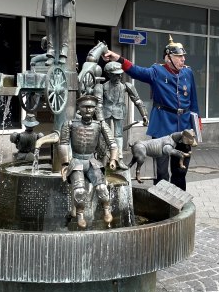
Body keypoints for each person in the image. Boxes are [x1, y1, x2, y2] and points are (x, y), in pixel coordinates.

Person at [102, 36, 200, 190]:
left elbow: (193, 101)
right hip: (163, 127)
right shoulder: (157, 71)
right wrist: (118, 58)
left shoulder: (188, 73)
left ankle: (181, 203)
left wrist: (196, 126)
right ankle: (162, 204)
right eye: (179, 56)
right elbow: (136, 71)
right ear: (168, 58)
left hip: (185, 128)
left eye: (183, 56)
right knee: (161, 172)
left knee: (181, 170)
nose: (183, 59)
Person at [58, 95, 118, 229]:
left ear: (95, 108)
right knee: (79, 191)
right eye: (85, 107)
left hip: (92, 161)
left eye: (91, 107)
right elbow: (63, 144)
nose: (88, 110)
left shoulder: (100, 125)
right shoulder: (70, 124)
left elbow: (112, 144)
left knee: (102, 187)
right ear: (79, 108)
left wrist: (113, 159)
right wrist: (65, 163)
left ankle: (107, 209)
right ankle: (80, 214)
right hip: (77, 162)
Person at [102, 61, 149, 170]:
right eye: (116, 74)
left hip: (119, 111)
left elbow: (137, 100)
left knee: (118, 135)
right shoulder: (103, 87)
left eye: (120, 74)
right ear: (109, 74)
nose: (119, 76)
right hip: (106, 112)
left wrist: (144, 115)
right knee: (105, 135)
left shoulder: (126, 86)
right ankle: (105, 158)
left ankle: (120, 159)